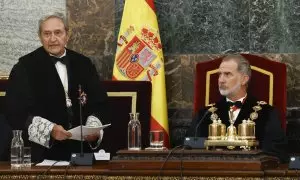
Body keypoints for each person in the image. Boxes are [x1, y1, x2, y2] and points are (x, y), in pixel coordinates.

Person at [5, 12, 110, 162]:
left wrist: (92, 130)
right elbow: (15, 111)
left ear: (67, 34)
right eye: (47, 34)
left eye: (58, 32)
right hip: (42, 154)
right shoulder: (24, 67)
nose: (53, 39)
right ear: (40, 37)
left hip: (82, 152)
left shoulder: (84, 64)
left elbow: (100, 103)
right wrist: (50, 130)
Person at [186, 54, 289, 163]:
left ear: (244, 79)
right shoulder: (204, 114)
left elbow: (276, 154)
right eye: (219, 74)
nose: (221, 80)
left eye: (227, 74)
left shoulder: (267, 113)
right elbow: (189, 151)